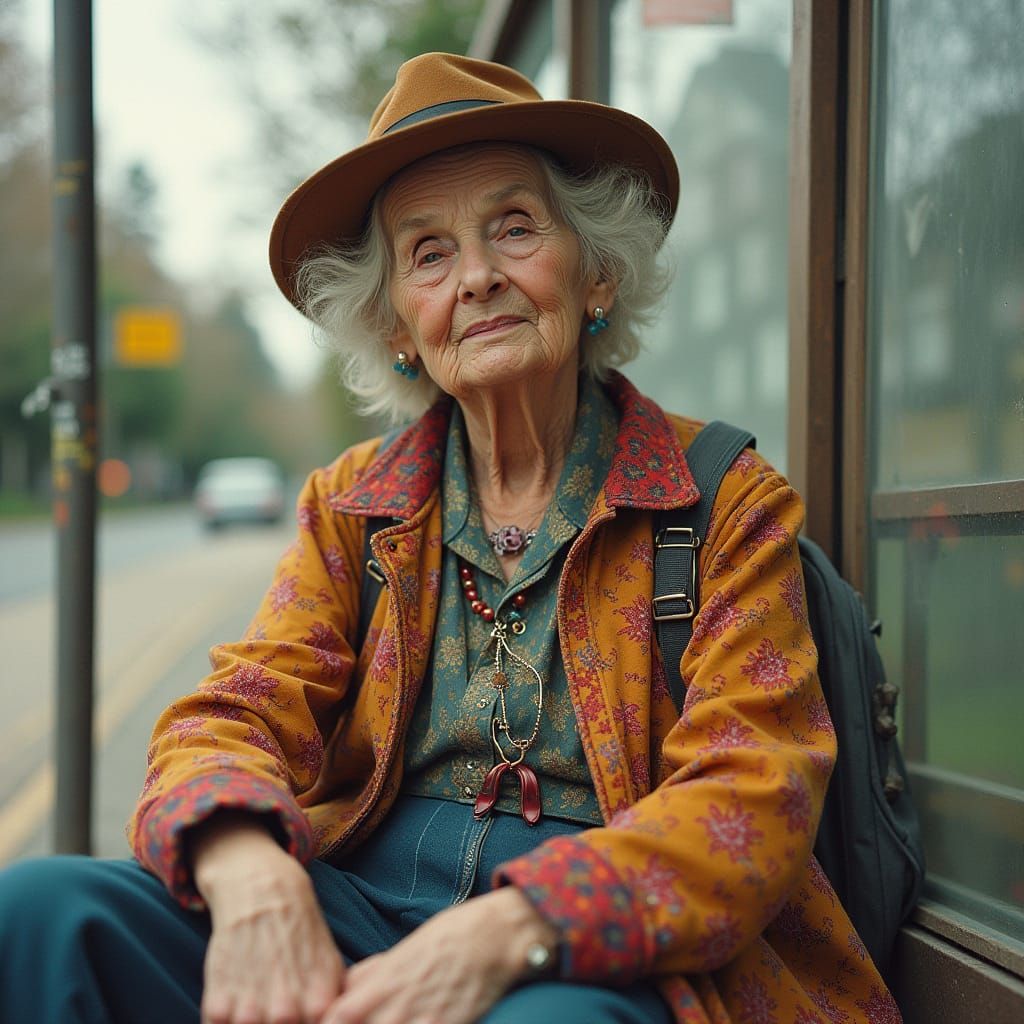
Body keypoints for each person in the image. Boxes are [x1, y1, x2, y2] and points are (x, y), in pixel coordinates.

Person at [0, 52, 902, 1024]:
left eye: (514, 227)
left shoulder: (721, 497)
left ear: (594, 270)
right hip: (362, 901)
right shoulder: (354, 503)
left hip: (608, 937)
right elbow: (229, 714)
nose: (475, 277)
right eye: (427, 253)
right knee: (43, 909)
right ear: (397, 321)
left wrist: (510, 925)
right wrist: (248, 868)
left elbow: (753, 793)